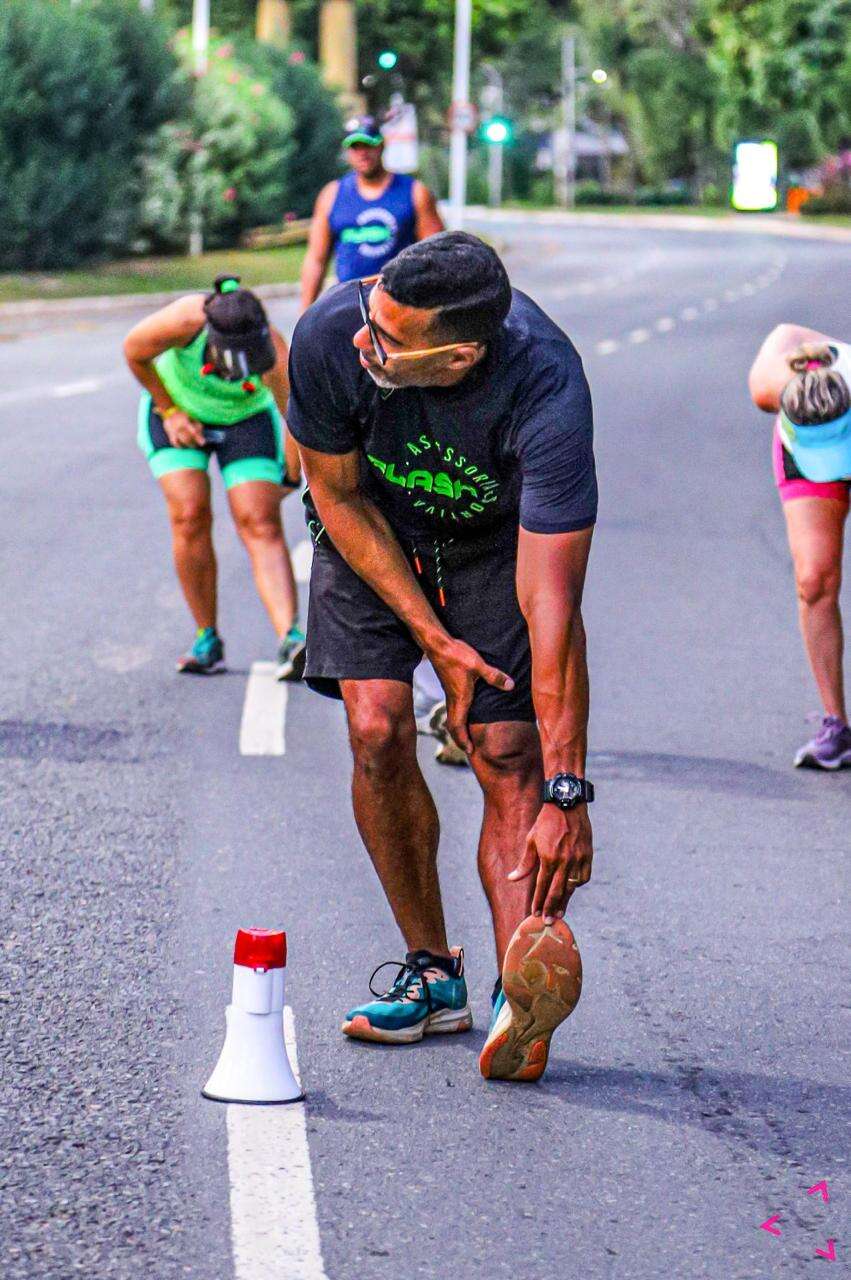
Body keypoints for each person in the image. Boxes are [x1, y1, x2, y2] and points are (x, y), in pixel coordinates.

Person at [287, 232, 597, 1082]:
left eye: (386, 340)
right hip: (371, 532)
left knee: (505, 750)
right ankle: (432, 973)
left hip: (491, 547)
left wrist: (566, 792)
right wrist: (433, 640)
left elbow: (551, 606)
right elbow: (337, 494)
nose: (362, 341)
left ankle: (515, 996)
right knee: (378, 725)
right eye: (369, 318)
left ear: (459, 354)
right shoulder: (328, 334)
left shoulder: (547, 388)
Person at [124, 275, 305, 679]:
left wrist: (290, 477)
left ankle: (290, 640)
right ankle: (207, 639)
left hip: (244, 420)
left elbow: (294, 413)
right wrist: (169, 411)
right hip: (177, 411)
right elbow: (134, 352)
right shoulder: (185, 321)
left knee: (259, 520)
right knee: (189, 514)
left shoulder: (273, 348)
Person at [749, 325, 851, 768]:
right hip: (800, 452)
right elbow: (788, 332)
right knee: (813, 581)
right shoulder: (769, 383)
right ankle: (837, 724)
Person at [299, 113, 444, 312]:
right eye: (355, 147)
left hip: (400, 305)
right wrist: (305, 315)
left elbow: (437, 257)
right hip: (349, 305)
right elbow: (316, 259)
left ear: (382, 145)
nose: (362, 153)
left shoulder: (415, 193)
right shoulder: (332, 195)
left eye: (368, 145)